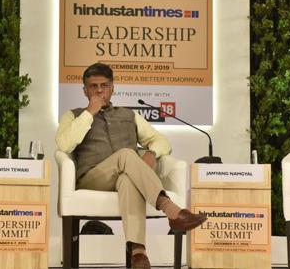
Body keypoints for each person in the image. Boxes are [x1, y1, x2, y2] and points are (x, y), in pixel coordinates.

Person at [56, 63, 207, 269]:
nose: (99, 90)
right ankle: (170, 209)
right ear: (85, 90)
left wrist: (152, 153)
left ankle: (138, 254)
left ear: (113, 88)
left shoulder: (129, 115)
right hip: (92, 178)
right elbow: (64, 144)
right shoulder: (72, 115)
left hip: (124, 177)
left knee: (127, 179)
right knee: (127, 154)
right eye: (93, 86)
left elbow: (162, 141)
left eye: (104, 85)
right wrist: (89, 113)